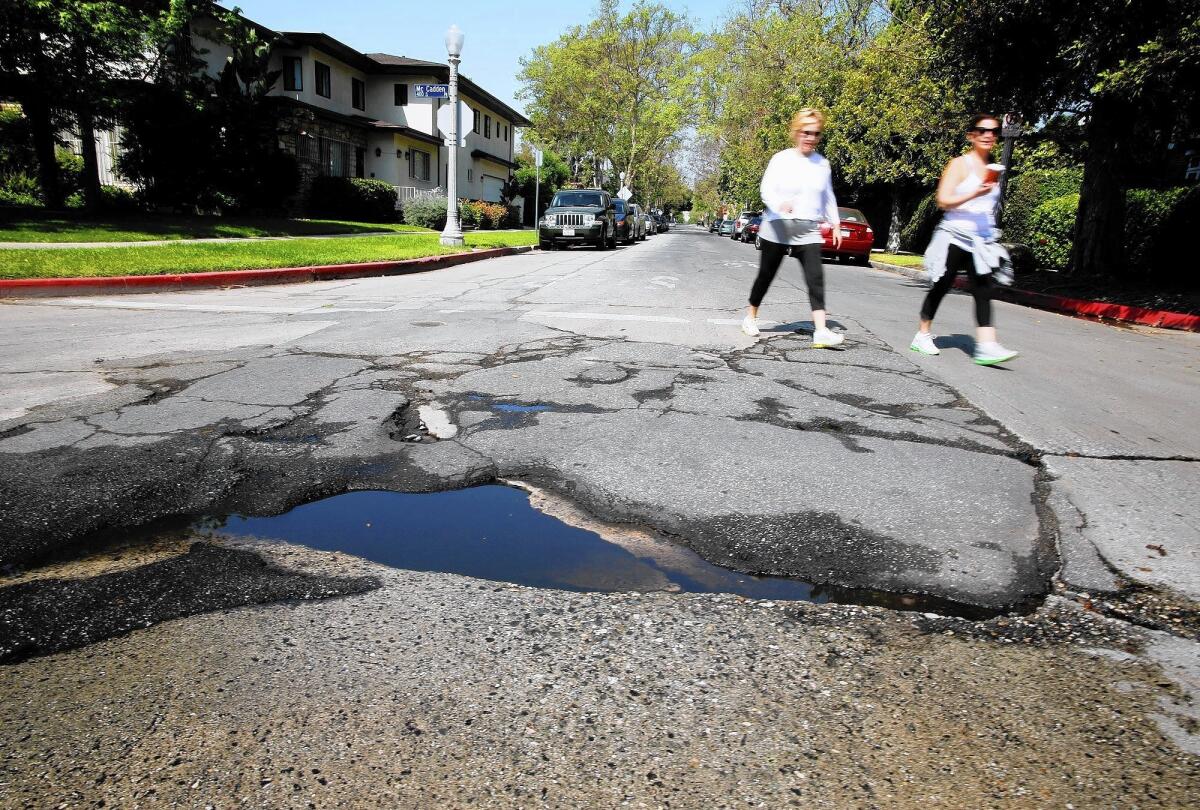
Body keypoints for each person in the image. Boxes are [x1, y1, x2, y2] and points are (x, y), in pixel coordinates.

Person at [911, 114, 1018, 365]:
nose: (988, 135)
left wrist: (992, 238)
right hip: (954, 236)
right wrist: (973, 192)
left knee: (984, 288)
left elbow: (987, 210)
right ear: (971, 135)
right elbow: (943, 200)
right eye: (982, 131)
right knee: (942, 285)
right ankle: (922, 334)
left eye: (993, 131)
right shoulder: (960, 165)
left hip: (979, 241)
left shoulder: (994, 169)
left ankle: (987, 346)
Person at [742, 108, 844, 348]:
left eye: (816, 133)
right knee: (766, 276)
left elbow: (827, 196)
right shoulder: (782, 159)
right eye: (806, 132)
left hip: (807, 228)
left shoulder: (822, 164)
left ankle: (820, 330)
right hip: (778, 226)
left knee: (815, 277)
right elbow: (766, 189)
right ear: (797, 132)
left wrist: (836, 223)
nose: (811, 138)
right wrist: (779, 204)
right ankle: (750, 316)